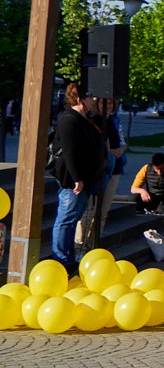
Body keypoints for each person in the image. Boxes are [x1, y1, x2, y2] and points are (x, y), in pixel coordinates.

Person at [48, 83, 104, 271]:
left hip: (85, 179)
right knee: (66, 218)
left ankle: (68, 256)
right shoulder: (69, 120)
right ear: (80, 100)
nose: (93, 100)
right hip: (73, 181)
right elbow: (70, 153)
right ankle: (61, 258)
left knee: (73, 218)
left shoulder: (84, 119)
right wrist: (77, 178)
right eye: (89, 98)